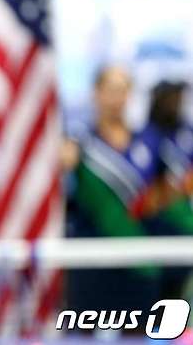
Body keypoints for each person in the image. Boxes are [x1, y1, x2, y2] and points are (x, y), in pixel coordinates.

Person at [65, 66, 162, 332]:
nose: (116, 98)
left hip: (139, 261)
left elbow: (166, 195)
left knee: (140, 334)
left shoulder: (150, 140)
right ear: (96, 94)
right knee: (82, 334)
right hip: (90, 261)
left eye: (122, 90)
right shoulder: (79, 142)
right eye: (110, 90)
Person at [142, 80, 193, 300]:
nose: (176, 103)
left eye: (179, 98)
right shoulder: (145, 137)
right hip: (158, 230)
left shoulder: (187, 133)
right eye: (170, 98)